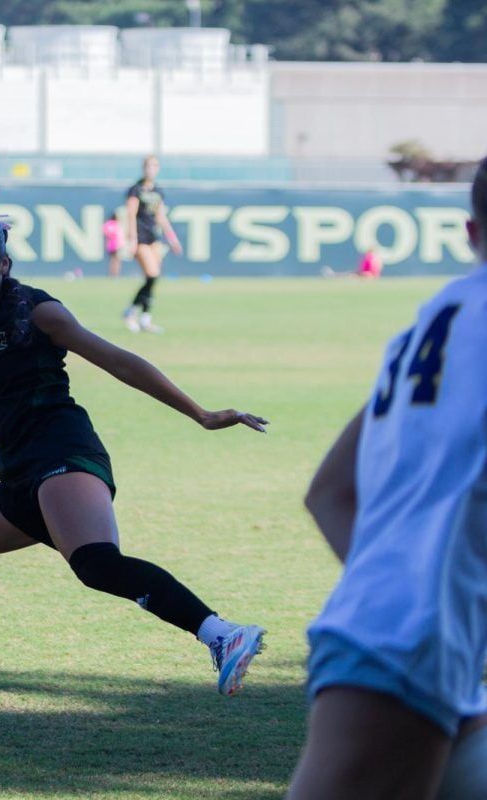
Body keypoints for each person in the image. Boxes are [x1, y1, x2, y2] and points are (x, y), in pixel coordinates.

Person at [0, 201, 267, 729]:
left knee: (96, 565)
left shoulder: (37, 312)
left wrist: (200, 414)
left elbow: (120, 360)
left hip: (64, 454)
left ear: (4, 263)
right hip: (18, 472)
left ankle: (223, 633)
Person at [288, 157, 487, 800]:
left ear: (471, 233)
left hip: (400, 637)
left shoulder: (432, 322)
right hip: (405, 656)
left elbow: (330, 493)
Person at [123, 156, 181, 333]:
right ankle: (131, 313)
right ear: (143, 168)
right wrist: (132, 238)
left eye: (155, 166)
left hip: (153, 237)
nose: (151, 169)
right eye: (149, 166)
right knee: (152, 273)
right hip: (140, 238)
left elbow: (160, 216)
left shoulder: (158, 191)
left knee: (153, 279)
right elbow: (131, 214)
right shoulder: (136, 189)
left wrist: (172, 238)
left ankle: (144, 318)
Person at [103, 210, 125, 278]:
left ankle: (112, 273)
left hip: (110, 245)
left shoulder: (108, 224)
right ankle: (116, 273)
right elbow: (119, 235)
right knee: (117, 260)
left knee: (112, 260)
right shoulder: (116, 224)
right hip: (116, 245)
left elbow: (105, 232)